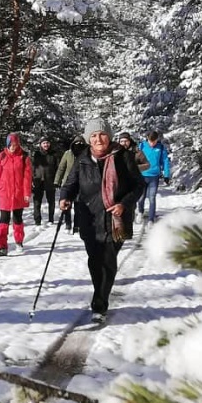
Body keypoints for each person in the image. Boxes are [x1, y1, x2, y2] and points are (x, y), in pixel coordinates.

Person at [59, 118, 144, 318]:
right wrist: (65, 197)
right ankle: (100, 292)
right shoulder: (82, 158)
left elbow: (139, 185)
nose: (99, 139)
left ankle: (100, 301)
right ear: (89, 139)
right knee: (94, 260)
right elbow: (70, 183)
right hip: (89, 217)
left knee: (108, 259)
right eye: (94, 135)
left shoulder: (123, 157)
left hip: (116, 218)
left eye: (102, 134)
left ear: (109, 136)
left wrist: (124, 203)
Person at [0, 132, 33, 256]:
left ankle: (19, 241)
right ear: (8, 144)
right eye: (11, 144)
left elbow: (27, 177)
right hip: (5, 193)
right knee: (3, 220)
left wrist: (27, 193)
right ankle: (2, 246)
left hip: (18, 193)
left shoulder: (24, 156)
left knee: (17, 218)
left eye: (15, 144)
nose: (13, 147)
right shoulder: (2, 156)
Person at [138, 130, 173, 223]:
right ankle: (140, 212)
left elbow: (165, 161)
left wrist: (166, 175)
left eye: (154, 141)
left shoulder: (160, 147)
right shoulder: (142, 146)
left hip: (154, 176)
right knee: (141, 197)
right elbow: (136, 159)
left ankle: (151, 219)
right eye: (150, 141)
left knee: (152, 198)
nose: (152, 143)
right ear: (147, 139)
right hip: (142, 175)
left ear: (157, 139)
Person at [53, 134, 86, 227]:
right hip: (68, 182)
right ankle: (68, 223)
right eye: (77, 142)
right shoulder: (68, 153)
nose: (78, 144)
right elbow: (61, 168)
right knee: (67, 204)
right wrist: (57, 181)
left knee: (78, 206)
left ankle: (77, 225)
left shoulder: (86, 154)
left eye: (81, 142)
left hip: (81, 184)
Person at [30, 135, 57, 225]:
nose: (46, 145)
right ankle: (37, 220)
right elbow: (32, 167)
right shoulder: (36, 154)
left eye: (47, 143)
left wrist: (57, 181)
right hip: (38, 181)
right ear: (40, 145)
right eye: (44, 143)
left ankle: (51, 219)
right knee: (37, 202)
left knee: (51, 201)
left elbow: (57, 168)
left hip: (50, 180)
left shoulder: (53, 154)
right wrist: (32, 179)